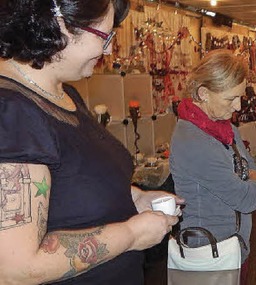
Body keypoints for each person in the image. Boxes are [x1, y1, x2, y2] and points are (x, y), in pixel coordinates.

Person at [0, 0, 180, 284]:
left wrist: (133, 197)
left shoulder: (64, 93)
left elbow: (73, 183)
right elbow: (16, 267)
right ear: (61, 26)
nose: (108, 49)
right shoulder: (11, 112)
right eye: (104, 36)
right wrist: (131, 235)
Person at [170, 49, 256, 283]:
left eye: (240, 97)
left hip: (231, 248)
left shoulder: (224, 128)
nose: (238, 106)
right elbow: (247, 199)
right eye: (231, 98)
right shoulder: (193, 139)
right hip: (209, 254)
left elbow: (251, 164)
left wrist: (252, 176)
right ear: (204, 93)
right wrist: (254, 179)